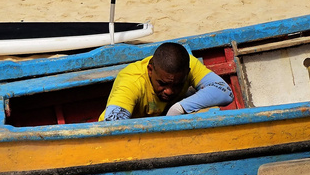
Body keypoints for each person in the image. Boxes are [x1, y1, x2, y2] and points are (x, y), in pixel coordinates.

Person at [99, 42, 234, 121]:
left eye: (177, 85)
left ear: (187, 72)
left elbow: (225, 92)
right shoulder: (131, 82)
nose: (169, 91)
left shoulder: (188, 64)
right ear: (150, 70)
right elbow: (112, 126)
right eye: (162, 84)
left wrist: (178, 109)